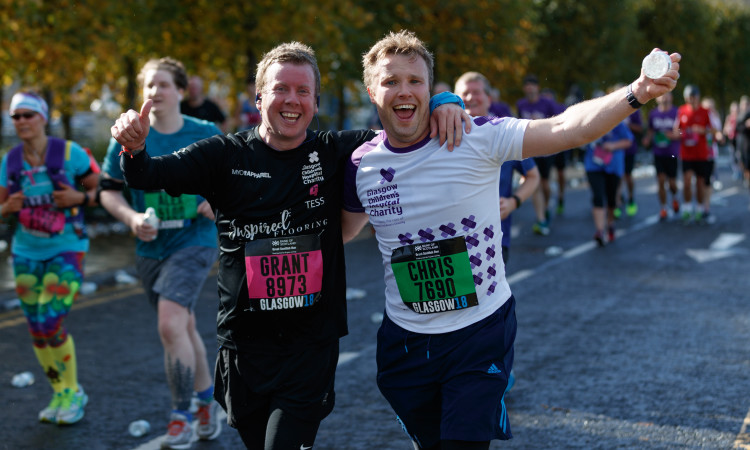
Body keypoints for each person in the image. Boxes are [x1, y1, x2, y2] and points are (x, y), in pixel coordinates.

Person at [108, 42, 468, 449]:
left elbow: (406, 125)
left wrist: (445, 100)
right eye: (281, 89)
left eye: (303, 92)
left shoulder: (339, 152)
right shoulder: (224, 155)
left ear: (315, 102)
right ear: (259, 97)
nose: (292, 101)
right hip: (244, 347)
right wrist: (134, 148)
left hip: (309, 348)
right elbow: (148, 174)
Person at [342, 30, 680, 449]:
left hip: (478, 332)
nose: (404, 90)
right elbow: (341, 230)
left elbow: (564, 128)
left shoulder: (475, 136)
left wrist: (636, 93)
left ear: (432, 89)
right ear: (372, 92)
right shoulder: (360, 163)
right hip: (404, 343)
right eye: (391, 81)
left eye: (415, 81)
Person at [100, 57, 223, 449]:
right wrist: (132, 217)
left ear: (181, 91)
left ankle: (180, 416)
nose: (155, 91)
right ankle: (208, 403)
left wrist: (216, 200)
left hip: (195, 239)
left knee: (170, 323)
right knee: (182, 326)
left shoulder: (204, 132)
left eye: (164, 84)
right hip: (150, 247)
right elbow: (108, 188)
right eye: (149, 85)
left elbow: (234, 177)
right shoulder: (130, 134)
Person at [0, 92, 99, 425]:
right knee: (36, 328)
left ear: (43, 117)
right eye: (16, 117)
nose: (22, 122)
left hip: (67, 249)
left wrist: (80, 196)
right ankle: (59, 393)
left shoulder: (70, 153)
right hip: (25, 253)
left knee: (51, 319)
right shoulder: (10, 162)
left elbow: (104, 189)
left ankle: (73, 392)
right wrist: (5, 209)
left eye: (28, 114)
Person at [453, 71, 539, 262]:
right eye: (464, 93)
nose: (470, 98)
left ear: (488, 99)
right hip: (451, 240)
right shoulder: (442, 135)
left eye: (476, 92)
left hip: (494, 238)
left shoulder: (503, 133)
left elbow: (533, 176)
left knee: (491, 292)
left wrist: (514, 201)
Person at [516, 74, 558, 235]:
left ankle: (546, 207)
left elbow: (557, 122)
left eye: (532, 85)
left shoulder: (547, 103)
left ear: (537, 88)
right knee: (536, 184)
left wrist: (540, 123)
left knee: (546, 185)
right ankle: (541, 219)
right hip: (529, 150)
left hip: (546, 149)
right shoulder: (521, 104)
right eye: (527, 85)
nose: (529, 88)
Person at [584, 116, 633, 246]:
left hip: (613, 166)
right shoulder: (589, 122)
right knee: (598, 196)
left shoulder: (616, 121)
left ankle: (610, 223)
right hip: (593, 165)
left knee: (611, 200)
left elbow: (628, 141)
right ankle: (600, 231)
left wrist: (612, 145)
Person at [675, 84, 715, 224]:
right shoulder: (681, 111)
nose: (691, 100)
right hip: (686, 153)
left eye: (693, 97)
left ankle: (699, 208)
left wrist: (701, 130)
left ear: (698, 98)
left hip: (701, 153)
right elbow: (676, 130)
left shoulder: (705, 111)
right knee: (686, 181)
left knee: (700, 183)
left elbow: (712, 130)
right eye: (688, 98)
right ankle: (686, 207)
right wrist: (683, 133)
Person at [643, 91, 681, 220]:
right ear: (657, 98)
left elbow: (681, 132)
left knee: (672, 183)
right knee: (660, 181)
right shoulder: (653, 114)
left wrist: (672, 135)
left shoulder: (676, 112)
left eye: (667, 95)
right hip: (658, 153)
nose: (664, 97)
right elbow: (650, 131)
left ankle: (675, 198)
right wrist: (647, 139)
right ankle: (663, 208)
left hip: (672, 153)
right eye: (661, 95)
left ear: (671, 97)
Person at [540, 88, 568, 215]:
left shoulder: (560, 107)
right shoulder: (540, 108)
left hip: (561, 145)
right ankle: (546, 204)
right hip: (546, 147)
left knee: (561, 173)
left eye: (548, 97)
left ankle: (561, 195)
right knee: (545, 177)